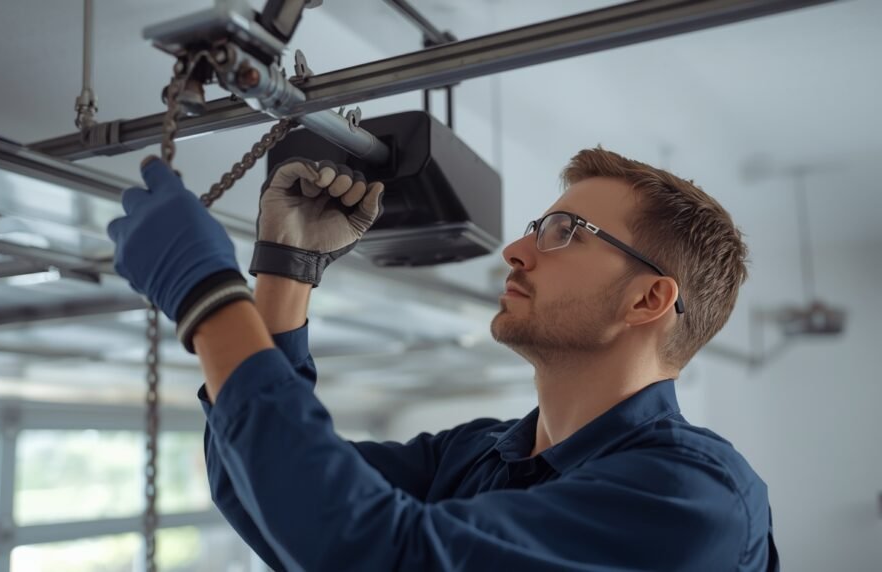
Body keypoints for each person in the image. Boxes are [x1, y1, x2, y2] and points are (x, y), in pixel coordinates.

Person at [107, 148, 777, 571]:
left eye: (565, 233)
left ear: (649, 299)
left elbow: (375, 553)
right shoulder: (475, 456)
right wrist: (288, 268)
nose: (516, 248)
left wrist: (210, 298)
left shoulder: (695, 497)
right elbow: (259, 494)